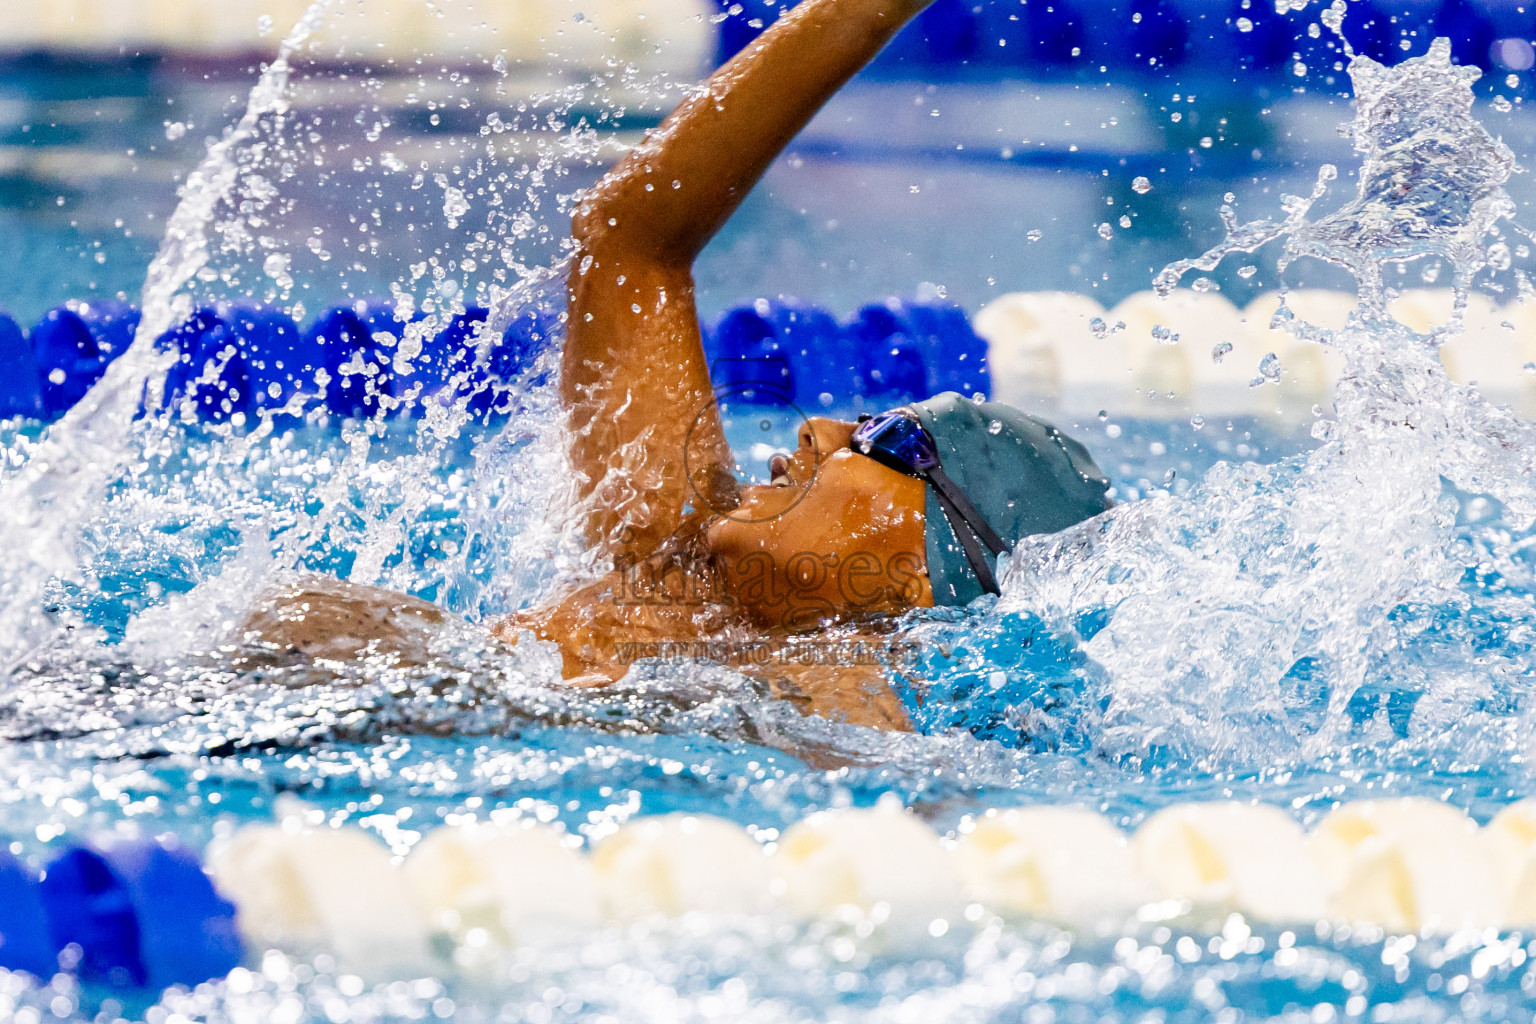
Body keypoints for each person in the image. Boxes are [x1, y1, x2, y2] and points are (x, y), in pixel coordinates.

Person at [240, 0, 1113, 732]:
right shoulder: (675, 561)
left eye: (888, 437)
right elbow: (629, 239)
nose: (821, 428)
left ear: (935, 566)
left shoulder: (836, 699)